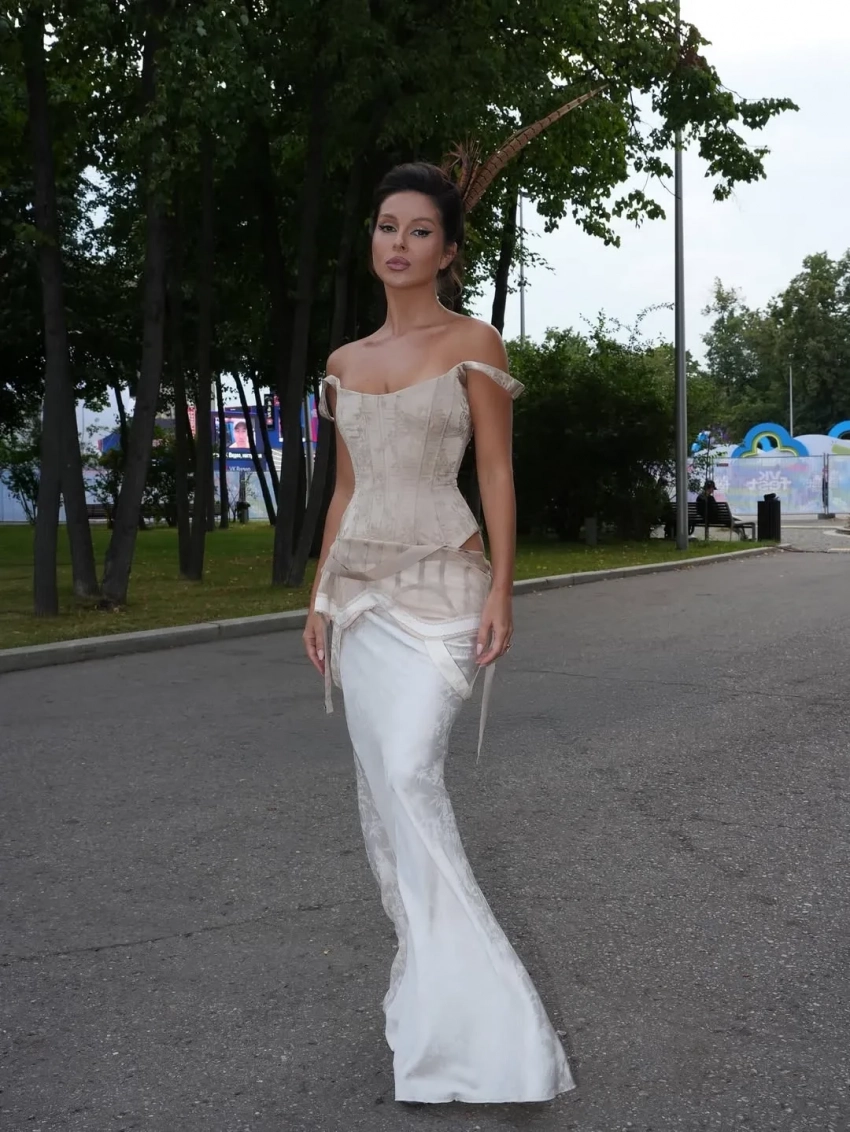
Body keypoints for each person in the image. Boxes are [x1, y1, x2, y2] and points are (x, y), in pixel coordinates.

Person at [301, 161, 574, 1105]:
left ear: (449, 251)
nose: (400, 243)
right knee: (388, 795)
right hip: (359, 602)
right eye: (388, 226)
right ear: (372, 239)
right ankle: (439, 1015)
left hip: (445, 590)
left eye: (420, 231)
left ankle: (490, 1030)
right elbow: (345, 492)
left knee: (410, 775)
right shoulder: (343, 363)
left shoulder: (472, 342)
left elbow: (495, 473)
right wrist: (318, 598)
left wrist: (504, 590)